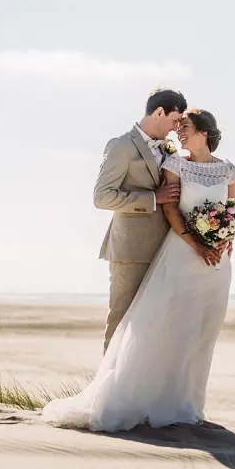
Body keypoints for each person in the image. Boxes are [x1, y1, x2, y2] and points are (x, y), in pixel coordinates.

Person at [43, 109, 235, 431]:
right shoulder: (175, 164)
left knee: (201, 335)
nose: (179, 132)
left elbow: (232, 211)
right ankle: (152, 402)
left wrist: (225, 239)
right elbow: (170, 209)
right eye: (178, 125)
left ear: (204, 132)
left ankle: (189, 406)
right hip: (182, 254)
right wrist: (196, 243)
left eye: (186, 127)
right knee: (169, 329)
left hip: (216, 264)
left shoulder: (228, 170)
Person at [92, 88, 187, 352]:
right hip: (130, 250)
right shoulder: (121, 146)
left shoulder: (169, 150)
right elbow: (102, 197)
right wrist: (153, 198)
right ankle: (110, 378)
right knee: (121, 320)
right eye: (174, 120)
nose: (176, 128)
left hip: (165, 250)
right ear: (159, 112)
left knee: (156, 325)